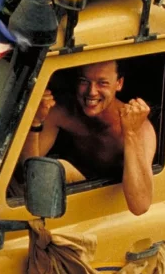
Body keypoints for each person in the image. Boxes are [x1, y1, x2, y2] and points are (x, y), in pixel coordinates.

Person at [20, 60, 156, 216]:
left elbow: (141, 205)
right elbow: (29, 172)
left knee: (60, 169)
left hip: (109, 209)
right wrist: (36, 121)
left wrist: (130, 134)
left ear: (119, 83)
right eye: (84, 82)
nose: (92, 92)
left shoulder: (139, 127)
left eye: (102, 83)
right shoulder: (64, 110)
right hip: (66, 203)